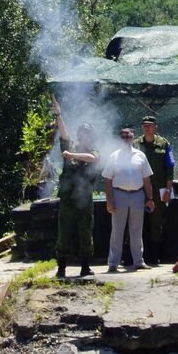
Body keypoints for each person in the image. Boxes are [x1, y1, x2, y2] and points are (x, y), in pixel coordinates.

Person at [53, 103, 99, 278]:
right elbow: (63, 133)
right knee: (64, 232)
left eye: (86, 133)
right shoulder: (70, 145)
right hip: (68, 198)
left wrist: (72, 156)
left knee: (85, 232)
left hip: (85, 199)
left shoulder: (93, 151)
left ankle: (85, 267)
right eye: (81, 133)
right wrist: (58, 114)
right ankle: (61, 268)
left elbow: (92, 158)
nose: (83, 136)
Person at [103, 128, 155, 272]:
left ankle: (138, 261)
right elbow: (107, 179)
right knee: (117, 230)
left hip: (138, 195)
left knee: (137, 230)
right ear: (120, 139)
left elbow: (146, 179)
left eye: (129, 136)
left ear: (133, 138)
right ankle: (113, 263)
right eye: (123, 136)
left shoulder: (140, 155)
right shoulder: (114, 156)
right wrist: (109, 200)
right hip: (119, 195)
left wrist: (150, 198)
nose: (126, 138)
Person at [134, 116, 175, 265]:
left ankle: (155, 254)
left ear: (156, 127)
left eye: (150, 126)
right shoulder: (135, 144)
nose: (147, 128)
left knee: (156, 221)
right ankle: (132, 255)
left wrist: (169, 190)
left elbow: (170, 168)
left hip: (158, 190)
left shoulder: (164, 144)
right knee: (135, 221)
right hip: (138, 188)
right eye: (144, 125)